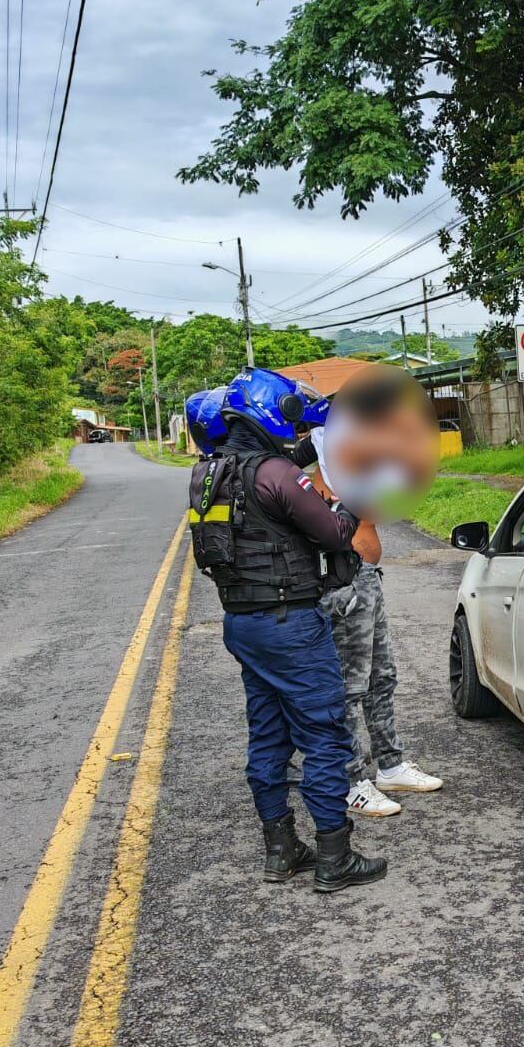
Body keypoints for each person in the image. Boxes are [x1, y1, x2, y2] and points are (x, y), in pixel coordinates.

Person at [187, 367, 386, 893]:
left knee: (268, 734)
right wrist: (352, 500)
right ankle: (334, 856)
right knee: (324, 735)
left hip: (243, 624)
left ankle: (280, 850)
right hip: (291, 624)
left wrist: (308, 452)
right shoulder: (275, 474)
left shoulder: (212, 471)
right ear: (272, 411)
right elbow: (335, 532)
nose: (297, 429)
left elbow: (268, 487)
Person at [291, 374, 443, 819]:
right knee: (350, 685)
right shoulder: (323, 441)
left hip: (368, 578)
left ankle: (390, 765)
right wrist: (324, 499)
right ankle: (350, 779)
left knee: (382, 676)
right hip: (341, 581)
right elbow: (282, 468)